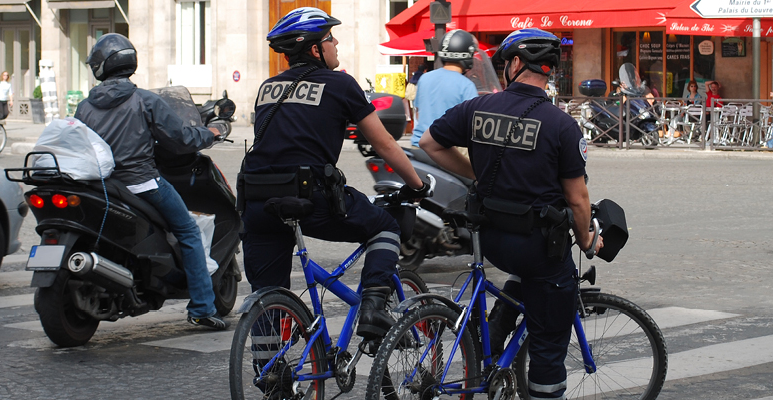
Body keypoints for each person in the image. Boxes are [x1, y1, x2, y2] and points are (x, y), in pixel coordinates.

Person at [419, 28, 602, 400]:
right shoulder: (561, 125)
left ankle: (502, 318)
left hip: (489, 240)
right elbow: (579, 200)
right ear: (546, 71)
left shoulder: (477, 108)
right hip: (537, 246)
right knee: (550, 339)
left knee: (525, 273)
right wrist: (586, 240)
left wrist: (477, 174)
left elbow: (429, 143)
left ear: (516, 65)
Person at [241, 7, 428, 339]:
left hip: (257, 201)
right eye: (330, 38)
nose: (336, 42)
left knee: (268, 298)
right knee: (385, 225)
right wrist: (417, 183)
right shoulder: (340, 84)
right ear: (315, 49)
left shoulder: (268, 87)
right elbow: (384, 143)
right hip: (310, 198)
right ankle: (372, 309)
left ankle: (271, 374)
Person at [72, 33, 227, 330]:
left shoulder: (84, 107)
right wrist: (213, 133)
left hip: (101, 186)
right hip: (143, 183)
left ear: (101, 67)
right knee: (190, 232)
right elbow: (182, 139)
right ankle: (202, 307)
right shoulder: (144, 100)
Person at [410, 29, 479, 147]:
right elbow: (473, 124)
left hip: (418, 146)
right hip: (446, 151)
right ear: (468, 54)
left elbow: (418, 113)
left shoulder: (424, 78)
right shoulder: (466, 86)